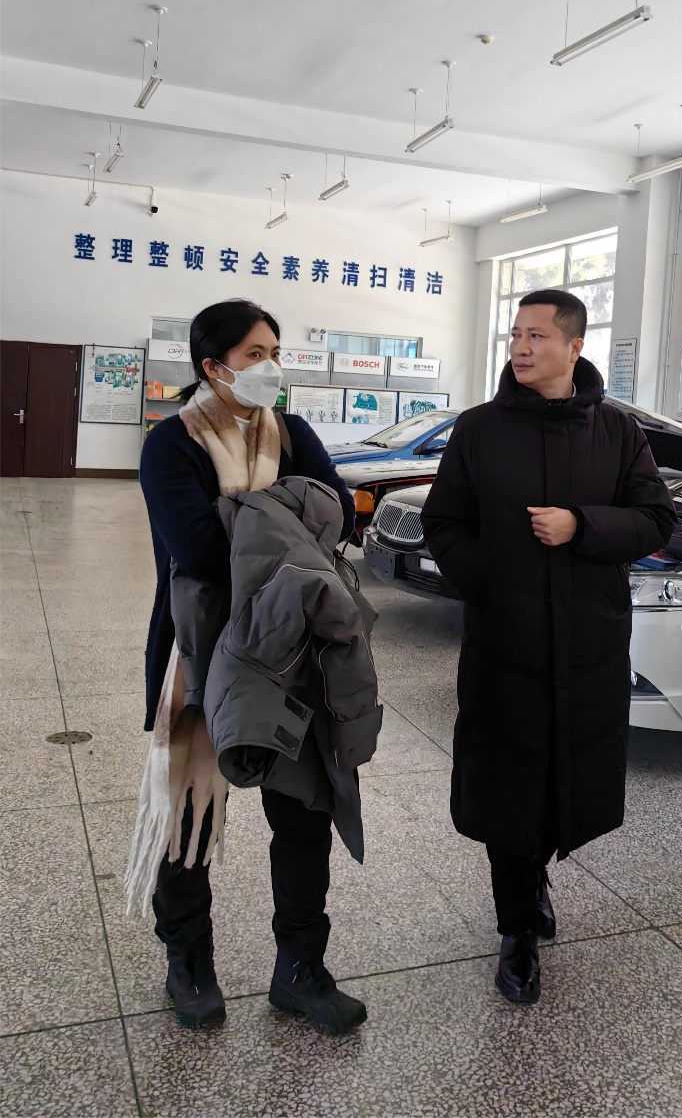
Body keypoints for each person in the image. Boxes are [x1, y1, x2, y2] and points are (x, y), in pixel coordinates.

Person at [420, 289, 676, 1004]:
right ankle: (516, 931)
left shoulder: (617, 431)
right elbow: (443, 523)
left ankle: (536, 877)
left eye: (536, 335)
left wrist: (582, 526)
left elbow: (656, 518)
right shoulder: (479, 429)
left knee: (567, 770)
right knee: (508, 780)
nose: (521, 348)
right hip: (507, 642)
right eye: (515, 335)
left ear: (574, 346)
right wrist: (486, 581)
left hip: (588, 644)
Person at [137, 298, 370, 1032]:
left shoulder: (292, 432)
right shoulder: (171, 444)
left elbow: (342, 519)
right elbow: (199, 549)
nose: (271, 366)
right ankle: (188, 962)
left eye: (276, 351)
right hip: (198, 651)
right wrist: (286, 520)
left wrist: (254, 517)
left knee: (303, 814)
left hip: (293, 653)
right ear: (214, 366)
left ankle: (300, 969)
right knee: (190, 814)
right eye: (255, 354)